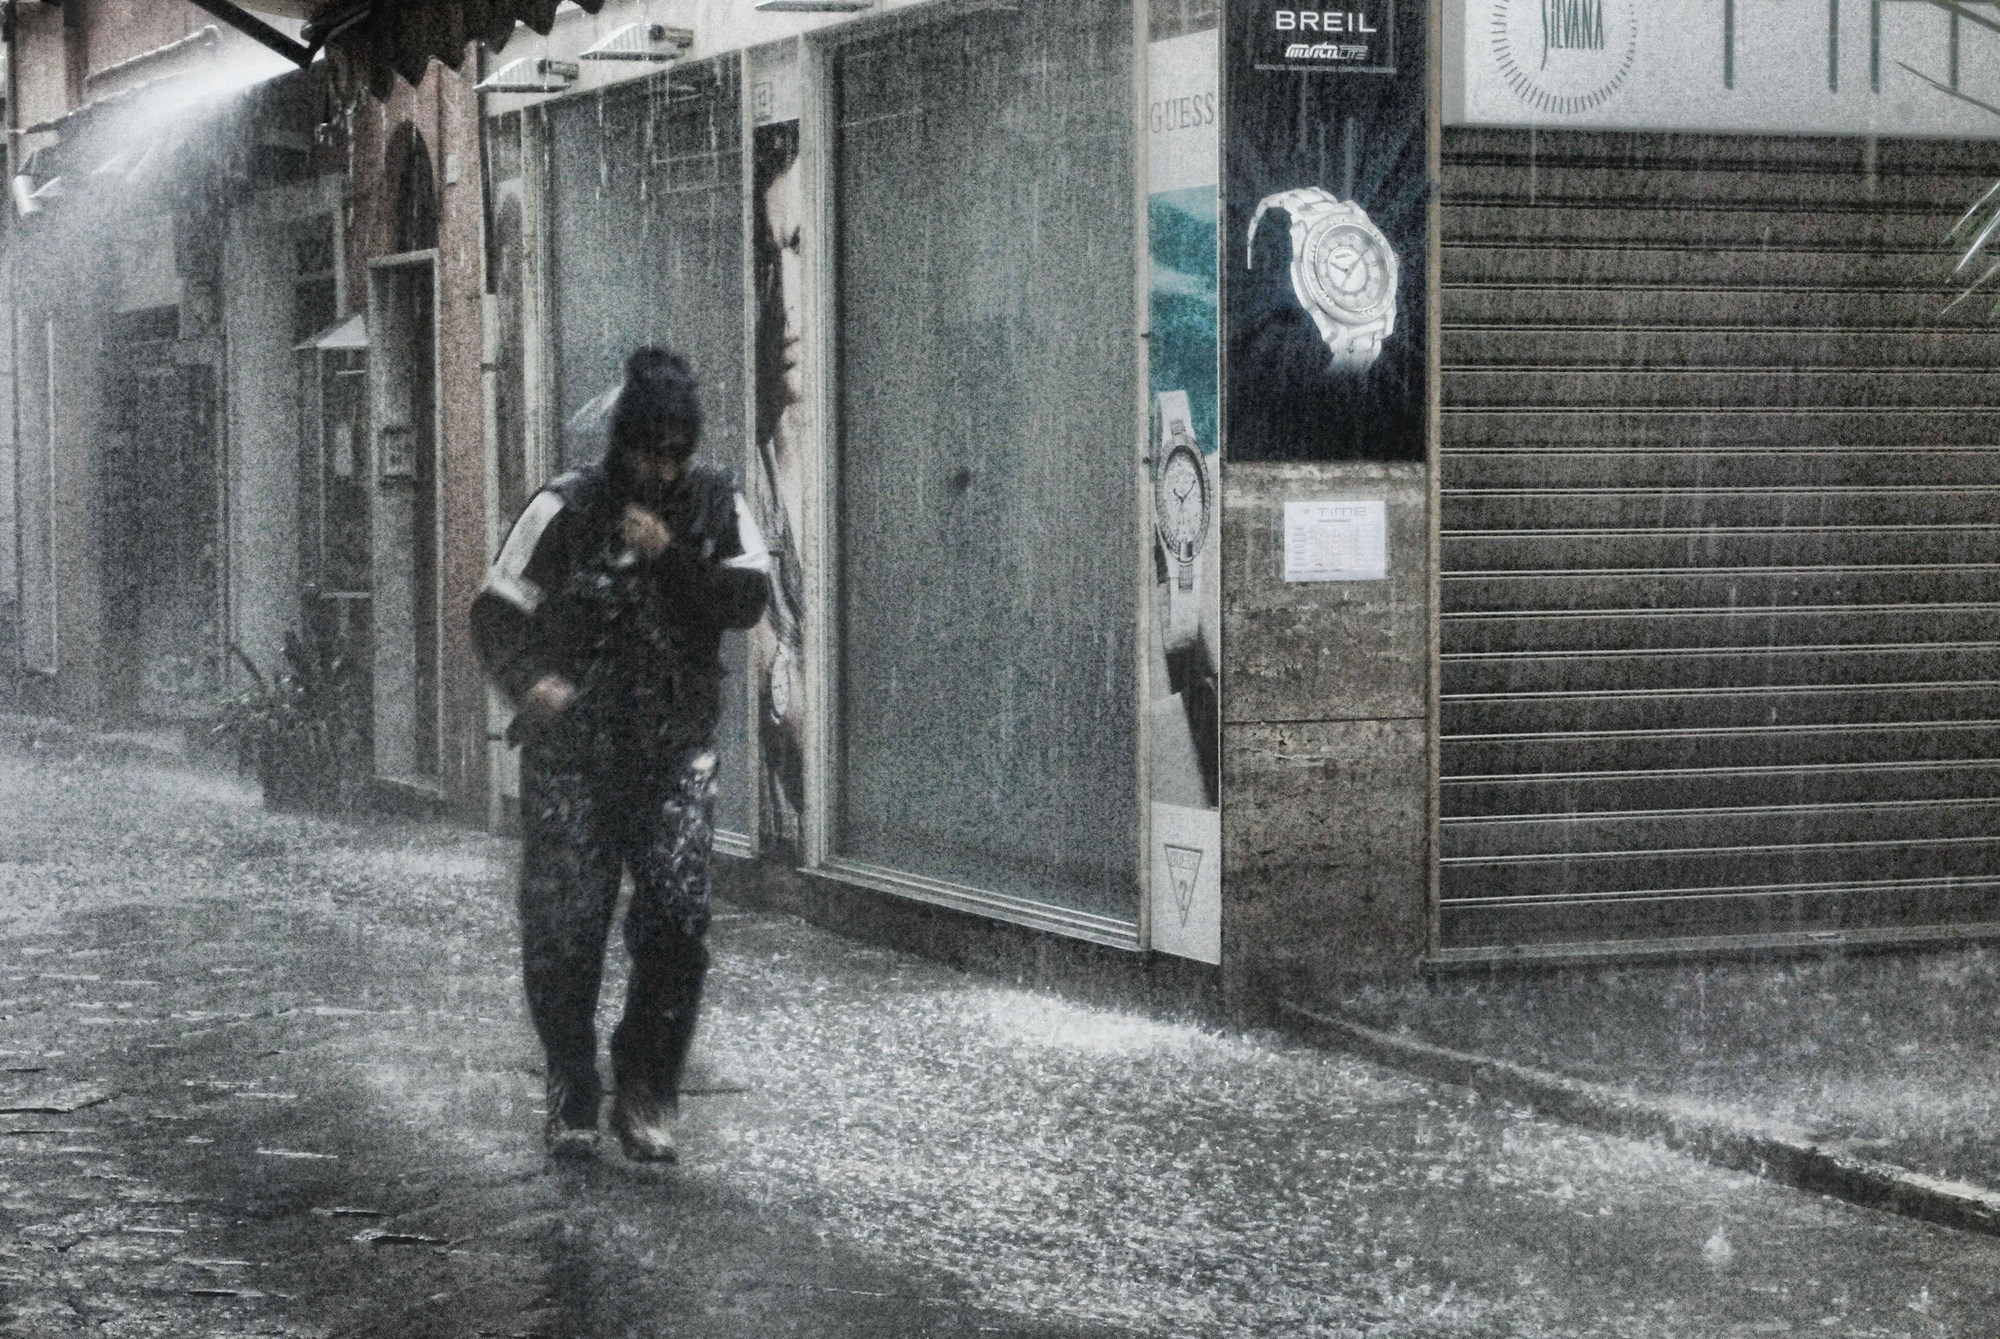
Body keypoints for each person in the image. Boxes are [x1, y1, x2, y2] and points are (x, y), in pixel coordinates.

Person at [471, 347, 770, 1163]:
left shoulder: (718, 505)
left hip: (673, 753)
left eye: (675, 452)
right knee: (565, 926)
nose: (660, 468)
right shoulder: (563, 507)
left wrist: (673, 556)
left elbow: (747, 598)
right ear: (620, 444)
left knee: (676, 919)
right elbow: (495, 609)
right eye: (646, 451)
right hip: (571, 757)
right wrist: (528, 681)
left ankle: (646, 1084)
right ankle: (571, 1076)